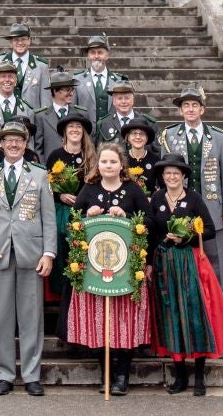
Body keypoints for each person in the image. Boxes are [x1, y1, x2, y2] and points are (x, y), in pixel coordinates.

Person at [0, 119, 56, 396]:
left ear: (26, 143)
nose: (14, 144)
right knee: (3, 317)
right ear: (1, 144)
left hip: (31, 254)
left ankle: (31, 375)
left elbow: (49, 219)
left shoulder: (40, 175)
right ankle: (4, 374)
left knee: (32, 317)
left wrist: (49, 253)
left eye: (19, 139)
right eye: (9, 140)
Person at [61, 142, 151, 396]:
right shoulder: (88, 189)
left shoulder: (133, 190)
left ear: (121, 164)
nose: (108, 166)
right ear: (97, 165)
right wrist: (85, 215)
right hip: (95, 271)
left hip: (126, 270)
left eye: (113, 162)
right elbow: (71, 224)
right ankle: (106, 374)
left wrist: (128, 216)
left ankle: (122, 375)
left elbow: (151, 221)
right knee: (102, 323)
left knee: (125, 323)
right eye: (103, 162)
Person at [147, 155, 223, 396]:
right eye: (168, 173)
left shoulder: (194, 198)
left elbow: (207, 228)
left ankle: (199, 376)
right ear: (163, 176)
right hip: (165, 262)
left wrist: (186, 235)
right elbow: (151, 231)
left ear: (183, 175)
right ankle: (179, 375)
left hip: (190, 262)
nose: (172, 177)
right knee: (171, 314)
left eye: (176, 173)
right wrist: (149, 263)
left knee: (195, 315)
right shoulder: (156, 199)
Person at [158, 86, 223, 299]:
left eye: (195, 105)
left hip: (211, 205)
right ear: (180, 110)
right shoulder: (170, 136)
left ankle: (220, 301)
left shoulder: (218, 138)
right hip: (181, 205)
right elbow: (165, 174)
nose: (190, 109)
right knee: (183, 257)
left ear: (202, 109)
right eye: (186, 105)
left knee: (215, 259)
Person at [46, 107, 95, 301]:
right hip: (60, 209)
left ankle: (81, 290)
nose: (75, 129)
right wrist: (60, 196)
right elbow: (47, 186)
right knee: (59, 240)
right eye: (71, 126)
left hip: (84, 211)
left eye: (78, 127)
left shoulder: (91, 157)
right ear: (64, 131)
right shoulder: (54, 155)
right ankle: (59, 293)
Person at [0, 23, 50, 111]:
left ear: (29, 41)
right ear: (11, 42)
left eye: (23, 39)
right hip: (3, 117)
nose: (20, 43)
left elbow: (46, 101)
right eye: (16, 39)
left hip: (31, 119)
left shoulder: (41, 66)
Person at [73, 32, 130, 128]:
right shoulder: (77, 80)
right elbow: (73, 111)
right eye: (92, 53)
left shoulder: (119, 80)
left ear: (107, 55)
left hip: (112, 135)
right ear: (88, 56)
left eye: (100, 52)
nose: (96, 56)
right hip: (86, 134)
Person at [0, 59, 37, 155]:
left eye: (11, 77)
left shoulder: (28, 110)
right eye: (3, 76)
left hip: (19, 165)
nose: (7, 80)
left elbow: (30, 143)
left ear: (15, 81)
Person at [35, 71, 92, 162]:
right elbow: (39, 148)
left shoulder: (81, 113)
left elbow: (87, 144)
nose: (71, 93)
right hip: (51, 169)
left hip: (77, 166)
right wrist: (43, 170)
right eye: (67, 90)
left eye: (72, 89)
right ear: (55, 91)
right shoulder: (41, 116)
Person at [96, 80, 154, 145]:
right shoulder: (104, 124)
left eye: (127, 98)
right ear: (114, 101)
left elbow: (155, 151)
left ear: (133, 100)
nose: (123, 102)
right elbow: (99, 151)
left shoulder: (148, 123)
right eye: (119, 98)